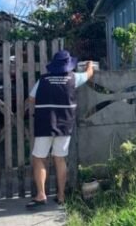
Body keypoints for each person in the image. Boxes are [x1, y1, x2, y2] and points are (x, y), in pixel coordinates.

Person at [26, 50, 94, 208]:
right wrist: (90, 65)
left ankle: (41, 194)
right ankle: (61, 196)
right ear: (68, 65)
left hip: (44, 124)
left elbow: (31, 97)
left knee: (39, 158)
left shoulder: (43, 80)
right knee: (60, 159)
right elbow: (88, 74)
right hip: (65, 125)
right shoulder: (74, 78)